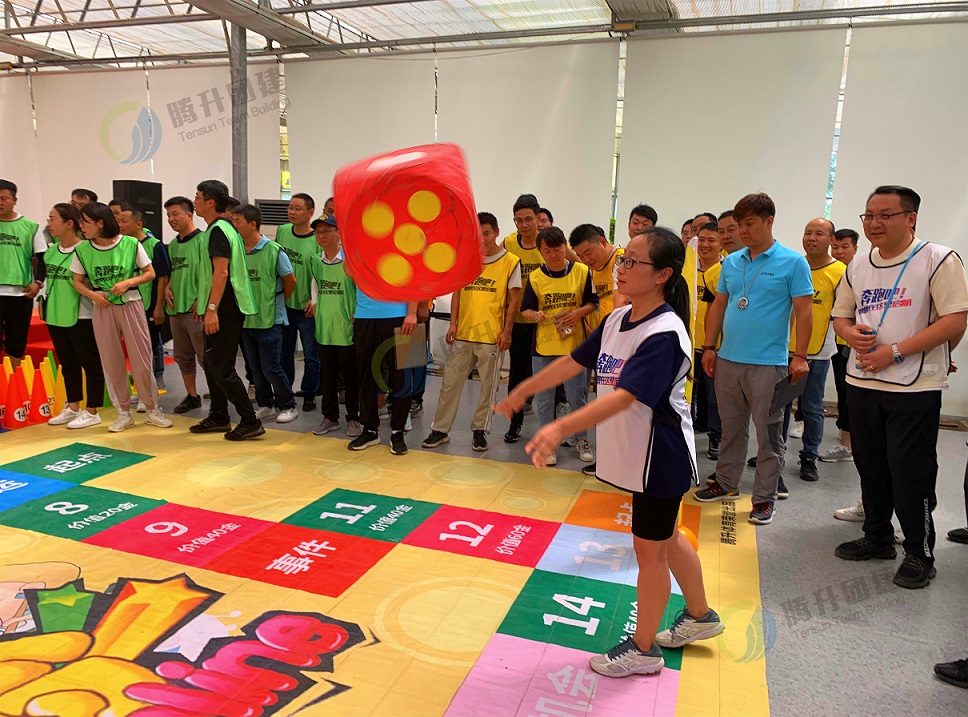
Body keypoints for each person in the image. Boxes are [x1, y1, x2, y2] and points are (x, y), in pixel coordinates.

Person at [495, 227, 723, 678]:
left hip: (659, 456)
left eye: (633, 262)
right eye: (623, 259)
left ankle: (644, 651)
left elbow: (624, 397)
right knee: (666, 538)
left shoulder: (665, 332)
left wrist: (559, 426)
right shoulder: (618, 319)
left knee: (651, 553)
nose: (621, 268)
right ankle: (700, 616)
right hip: (637, 453)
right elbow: (574, 361)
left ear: (663, 275)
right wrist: (525, 388)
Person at [831, 185, 968, 588]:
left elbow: (955, 319)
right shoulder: (858, 265)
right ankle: (877, 537)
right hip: (862, 380)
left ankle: (919, 553)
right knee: (869, 464)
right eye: (869, 215)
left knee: (910, 471)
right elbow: (841, 315)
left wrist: (895, 352)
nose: (875, 223)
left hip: (914, 387)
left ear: (911, 219)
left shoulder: (938, 259)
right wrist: (849, 333)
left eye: (885, 215)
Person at [694, 193, 813, 525]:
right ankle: (726, 482)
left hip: (770, 364)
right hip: (728, 360)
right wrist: (709, 346)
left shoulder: (793, 262)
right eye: (738, 225)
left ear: (769, 221)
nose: (742, 231)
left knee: (769, 434)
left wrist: (800, 356)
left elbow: (805, 312)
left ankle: (764, 498)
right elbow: (719, 305)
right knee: (731, 428)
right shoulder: (731, 263)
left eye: (749, 223)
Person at [422, 212, 522, 452]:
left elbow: (514, 301)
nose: (482, 239)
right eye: (477, 234)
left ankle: (480, 431)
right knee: (449, 384)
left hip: (491, 336)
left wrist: (507, 331)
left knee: (488, 388)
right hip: (464, 334)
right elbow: (457, 291)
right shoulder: (466, 259)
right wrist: (453, 323)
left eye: (486, 233)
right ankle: (440, 430)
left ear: (496, 232)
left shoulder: (510, 261)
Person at [71, 202, 171, 432]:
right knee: (111, 361)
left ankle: (152, 409)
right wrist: (93, 295)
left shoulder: (130, 244)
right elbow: (77, 282)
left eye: (85, 222)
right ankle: (123, 412)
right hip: (102, 307)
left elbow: (150, 273)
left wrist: (127, 282)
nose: (81, 226)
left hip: (131, 303)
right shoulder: (83, 249)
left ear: (100, 223)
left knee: (142, 359)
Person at [188, 179, 263, 441]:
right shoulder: (221, 228)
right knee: (212, 363)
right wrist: (203, 301)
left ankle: (250, 421)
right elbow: (210, 273)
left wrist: (212, 309)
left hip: (225, 306)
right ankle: (219, 415)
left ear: (210, 202)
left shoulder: (219, 230)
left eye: (197, 197)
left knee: (221, 366)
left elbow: (221, 272)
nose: (194, 202)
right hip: (222, 303)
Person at [519, 226, 597, 465]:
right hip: (544, 346)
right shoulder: (535, 277)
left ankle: (582, 438)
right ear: (540, 252)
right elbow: (525, 309)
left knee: (577, 396)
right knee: (544, 398)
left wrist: (577, 313)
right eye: (547, 251)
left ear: (565, 247)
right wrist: (534, 315)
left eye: (557, 249)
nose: (553, 255)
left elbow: (592, 303)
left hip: (574, 347)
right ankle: (548, 445)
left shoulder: (582, 271)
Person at [783, 218, 845, 482]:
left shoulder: (840, 272)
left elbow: (844, 312)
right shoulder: (794, 265)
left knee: (811, 406)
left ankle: (809, 456)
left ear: (831, 240)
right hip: (784, 348)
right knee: (780, 406)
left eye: (819, 233)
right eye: (808, 232)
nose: (811, 238)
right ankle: (775, 452)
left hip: (817, 352)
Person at [231, 204, 298, 424]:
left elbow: (290, 280)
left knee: (271, 368)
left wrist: (277, 302)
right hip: (246, 320)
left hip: (270, 320)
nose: (234, 226)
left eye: (238, 221)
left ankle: (288, 405)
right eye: (233, 221)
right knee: (256, 369)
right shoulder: (237, 250)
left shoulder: (274, 250)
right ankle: (265, 404)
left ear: (252, 224)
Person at [43, 203, 104, 429]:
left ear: (69, 223)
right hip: (55, 313)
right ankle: (73, 406)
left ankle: (93, 410)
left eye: (53, 219)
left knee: (90, 363)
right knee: (67, 363)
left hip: (82, 314)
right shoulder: (51, 251)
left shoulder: (87, 249)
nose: (49, 223)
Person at [307, 212, 361, 438]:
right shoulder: (316, 260)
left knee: (351, 376)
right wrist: (314, 303)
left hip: (347, 326)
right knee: (327, 375)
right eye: (318, 232)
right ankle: (330, 417)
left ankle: (354, 417)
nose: (322, 235)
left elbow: (361, 289)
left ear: (338, 233)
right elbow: (315, 283)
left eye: (327, 231)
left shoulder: (351, 260)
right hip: (325, 326)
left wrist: (358, 311)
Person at [350, 283, 419, 454]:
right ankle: (370, 430)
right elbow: (349, 272)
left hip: (399, 313)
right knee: (366, 374)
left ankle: (398, 432)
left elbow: (417, 276)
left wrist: (412, 313)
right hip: (365, 314)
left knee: (402, 376)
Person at [502, 194, 545, 442]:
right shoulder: (509, 243)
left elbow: (576, 265)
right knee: (517, 374)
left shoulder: (548, 241)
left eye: (529, 219)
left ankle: (552, 427)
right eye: (519, 220)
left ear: (538, 219)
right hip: (518, 320)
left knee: (546, 374)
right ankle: (514, 423)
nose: (524, 225)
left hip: (544, 321)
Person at [118, 208, 170, 397]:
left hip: (148, 305)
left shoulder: (155, 246)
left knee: (150, 346)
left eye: (124, 221)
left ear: (138, 224)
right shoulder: (122, 245)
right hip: (127, 304)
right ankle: (138, 386)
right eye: (118, 221)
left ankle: (151, 386)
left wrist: (158, 307)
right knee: (135, 348)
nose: (120, 225)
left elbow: (162, 278)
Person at [276, 192, 320, 411]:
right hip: (284, 305)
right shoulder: (283, 231)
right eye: (290, 207)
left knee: (311, 355)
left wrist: (315, 300)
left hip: (306, 308)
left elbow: (322, 272)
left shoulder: (317, 239)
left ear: (310, 212)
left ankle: (310, 393)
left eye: (297, 208)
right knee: (284, 354)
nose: (292, 212)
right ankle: (286, 394)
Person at [163, 196, 206, 414]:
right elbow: (174, 272)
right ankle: (192, 396)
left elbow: (211, 274)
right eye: (168, 215)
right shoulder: (172, 245)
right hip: (176, 310)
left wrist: (202, 300)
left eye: (175, 214)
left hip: (196, 311)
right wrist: (167, 287)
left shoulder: (203, 240)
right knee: (183, 358)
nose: (171, 219)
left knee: (206, 358)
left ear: (189, 215)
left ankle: (219, 397)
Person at [0, 179, 46, 370]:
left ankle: (12, 380)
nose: (0, 202)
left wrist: (38, 282)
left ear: (15, 200)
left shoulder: (30, 226)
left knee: (16, 342)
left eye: (4, 198)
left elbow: (43, 258)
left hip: (20, 294)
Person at [824, 228, 860, 471]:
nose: (838, 251)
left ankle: (848, 445)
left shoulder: (860, 273)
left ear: (855, 248)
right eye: (835, 247)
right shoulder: (835, 272)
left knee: (850, 393)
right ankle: (846, 438)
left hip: (855, 344)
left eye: (844, 247)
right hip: (838, 341)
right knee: (842, 389)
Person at [691, 222, 721, 435]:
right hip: (690, 340)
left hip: (715, 344)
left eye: (711, 240)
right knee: (693, 390)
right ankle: (697, 423)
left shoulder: (726, 271)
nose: (705, 244)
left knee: (713, 395)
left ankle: (715, 435)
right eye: (701, 239)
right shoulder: (688, 269)